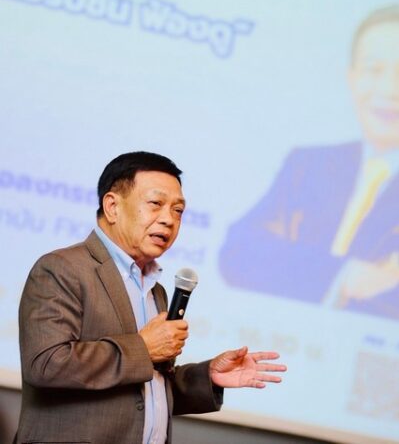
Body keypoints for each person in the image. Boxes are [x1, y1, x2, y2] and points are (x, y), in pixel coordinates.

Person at [14, 151, 286, 444]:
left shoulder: (156, 290)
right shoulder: (62, 269)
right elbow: (46, 365)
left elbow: (143, 391)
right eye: (156, 204)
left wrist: (207, 376)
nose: (169, 219)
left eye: (178, 210)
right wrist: (143, 347)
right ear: (112, 207)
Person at [219, 4, 399, 329]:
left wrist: (294, 267)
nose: (390, 90)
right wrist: (344, 276)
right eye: (373, 69)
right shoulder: (310, 164)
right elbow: (239, 251)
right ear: (351, 79)